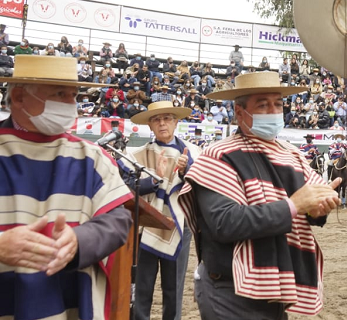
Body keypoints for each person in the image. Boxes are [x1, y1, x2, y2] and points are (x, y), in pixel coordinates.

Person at [177, 72, 341, 319]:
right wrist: (294, 205)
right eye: (263, 105)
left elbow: (309, 206)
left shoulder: (293, 155)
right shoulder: (217, 155)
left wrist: (317, 209)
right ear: (239, 112)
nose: (273, 111)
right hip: (229, 291)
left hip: (276, 290)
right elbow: (224, 222)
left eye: (278, 104)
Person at [0, 55, 133, 319]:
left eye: (74, 95)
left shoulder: (92, 157)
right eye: (60, 94)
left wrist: (79, 241)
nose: (71, 104)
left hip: (68, 297)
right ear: (18, 97)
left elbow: (118, 220)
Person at [127, 101, 201, 320]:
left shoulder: (194, 152)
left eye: (167, 118)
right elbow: (128, 187)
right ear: (150, 126)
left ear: (176, 122)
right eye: (156, 120)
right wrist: (153, 180)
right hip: (146, 225)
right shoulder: (137, 155)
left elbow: (202, 187)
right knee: (142, 287)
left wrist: (186, 170)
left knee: (174, 288)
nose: (162, 123)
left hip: (180, 226)